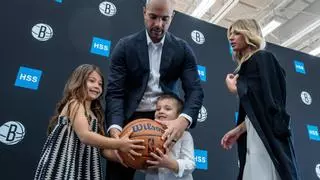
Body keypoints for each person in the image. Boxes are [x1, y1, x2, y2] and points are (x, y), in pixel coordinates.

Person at [105, 0, 203, 179]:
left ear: (172, 18)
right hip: (129, 119)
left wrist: (182, 121)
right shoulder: (125, 46)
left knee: (164, 175)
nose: (159, 24)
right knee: (118, 173)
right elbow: (115, 93)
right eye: (153, 17)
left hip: (165, 121)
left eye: (165, 19)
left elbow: (195, 90)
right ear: (144, 13)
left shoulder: (182, 49)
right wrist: (115, 129)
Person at [220, 19, 300, 180]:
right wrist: (239, 130)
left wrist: (236, 88)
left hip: (268, 141)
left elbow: (271, 103)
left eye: (236, 32)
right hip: (256, 139)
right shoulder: (247, 66)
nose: (231, 37)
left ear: (249, 33)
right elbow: (257, 111)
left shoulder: (264, 57)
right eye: (230, 34)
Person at [34, 64, 145, 180]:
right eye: (91, 81)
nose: (97, 86)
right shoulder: (74, 103)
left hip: (85, 169)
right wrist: (120, 144)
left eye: (100, 84)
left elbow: (102, 149)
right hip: (63, 166)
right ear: (79, 81)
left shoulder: (96, 115)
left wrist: (126, 156)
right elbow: (85, 136)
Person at [145, 93, 195, 180]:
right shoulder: (147, 135)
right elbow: (144, 166)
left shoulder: (185, 135)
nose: (161, 111)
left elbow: (190, 165)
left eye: (167, 109)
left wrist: (169, 164)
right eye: (157, 109)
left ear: (178, 115)